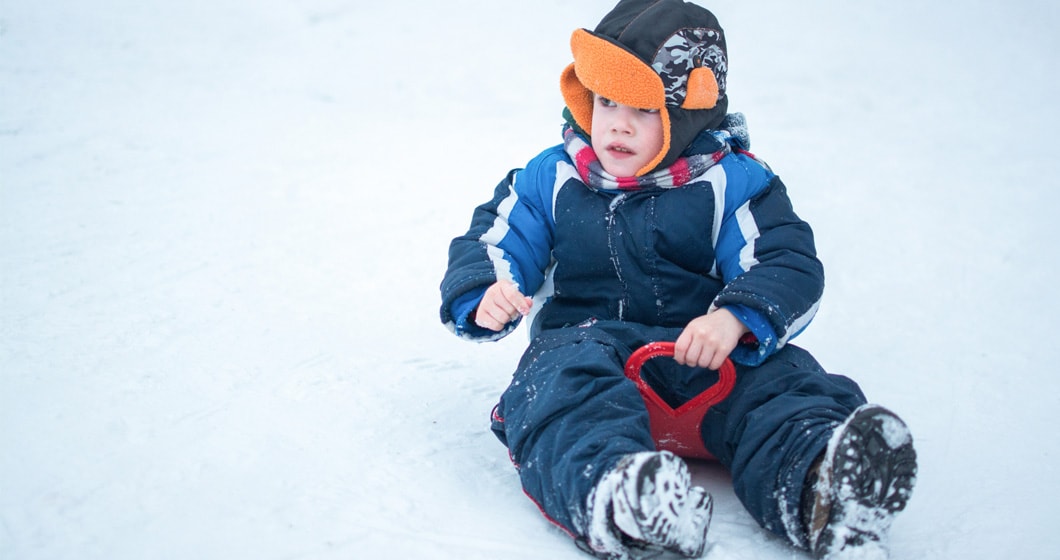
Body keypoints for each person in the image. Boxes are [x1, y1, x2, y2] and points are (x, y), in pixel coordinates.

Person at [438, 1, 917, 558]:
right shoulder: (553, 176)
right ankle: (621, 497)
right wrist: (485, 292)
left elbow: (786, 260)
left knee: (787, 389)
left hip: (709, 355)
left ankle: (822, 483)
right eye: (606, 100)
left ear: (686, 114)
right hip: (590, 346)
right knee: (555, 389)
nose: (616, 122)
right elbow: (493, 240)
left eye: (643, 108)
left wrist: (735, 317)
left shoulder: (734, 181)